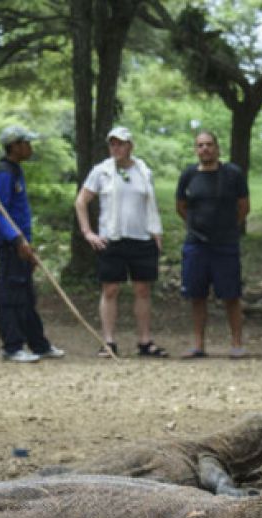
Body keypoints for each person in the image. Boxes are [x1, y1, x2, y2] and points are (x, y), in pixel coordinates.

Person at [74, 126, 166, 358]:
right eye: (112, 144)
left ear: (130, 146)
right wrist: (87, 232)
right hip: (111, 238)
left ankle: (145, 341)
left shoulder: (143, 170)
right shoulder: (101, 171)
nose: (116, 147)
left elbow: (149, 203)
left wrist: (156, 231)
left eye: (121, 143)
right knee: (111, 289)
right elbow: (81, 201)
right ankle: (109, 341)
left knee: (143, 289)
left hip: (141, 237)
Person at [0, 124, 64, 363]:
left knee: (27, 297)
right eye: (26, 143)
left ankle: (38, 344)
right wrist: (16, 240)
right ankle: (12, 347)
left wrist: (28, 244)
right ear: (14, 146)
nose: (30, 148)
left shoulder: (15, 170)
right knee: (11, 296)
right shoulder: (4, 173)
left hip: (23, 244)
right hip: (12, 245)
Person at [175, 130, 250, 359]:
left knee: (231, 295)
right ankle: (199, 344)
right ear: (195, 149)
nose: (205, 149)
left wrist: (229, 228)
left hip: (225, 244)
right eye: (200, 145)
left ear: (217, 148)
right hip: (196, 244)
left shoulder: (232, 174)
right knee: (196, 295)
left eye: (209, 145)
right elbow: (181, 206)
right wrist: (194, 225)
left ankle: (236, 343)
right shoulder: (188, 175)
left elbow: (244, 207)